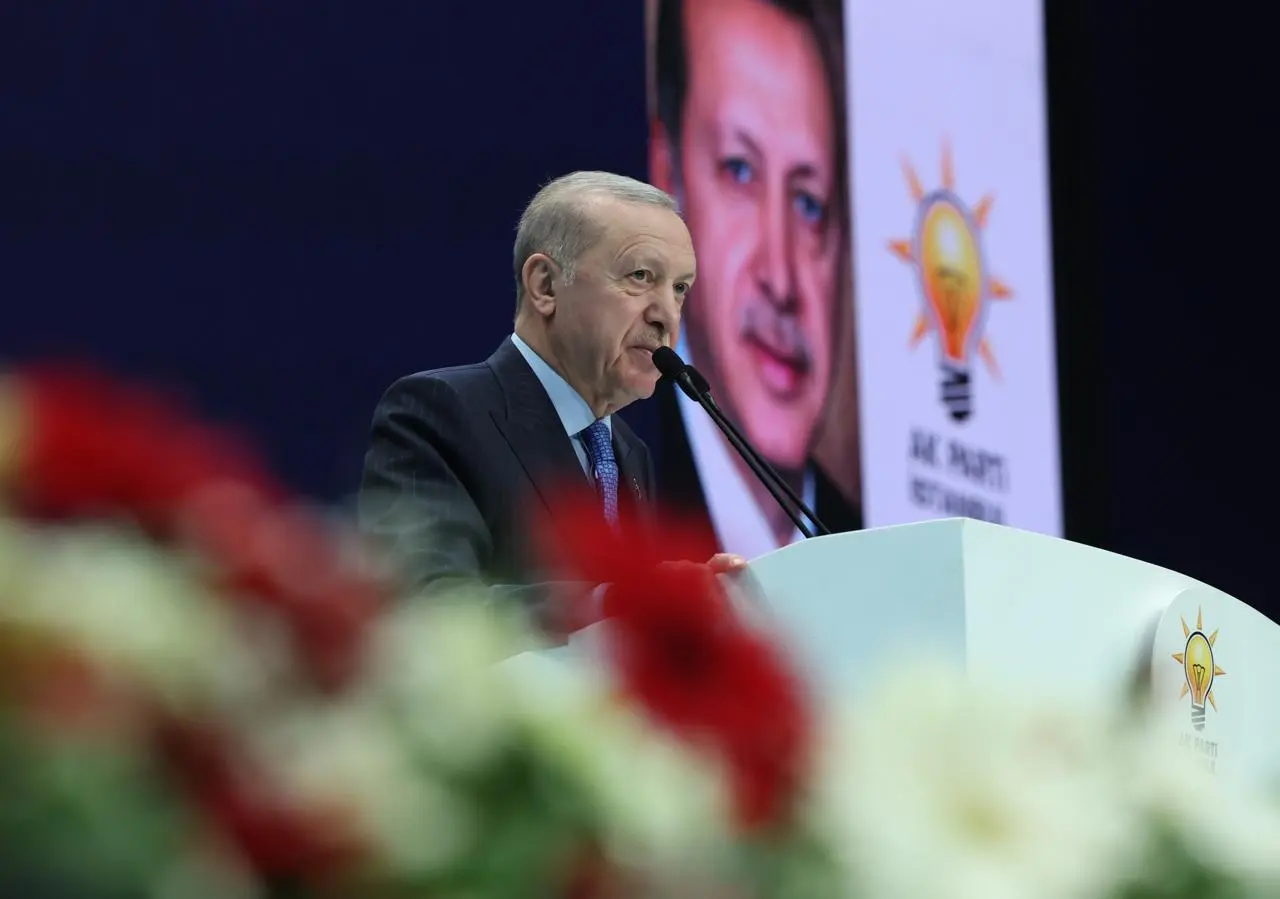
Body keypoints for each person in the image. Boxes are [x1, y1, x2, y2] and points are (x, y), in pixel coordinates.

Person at [358, 171, 744, 637]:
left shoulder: (629, 453)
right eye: (640, 277)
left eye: (680, 288)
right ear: (545, 286)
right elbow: (428, 609)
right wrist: (615, 601)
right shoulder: (438, 412)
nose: (667, 315)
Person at [648, 0, 862, 559]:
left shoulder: (872, 551)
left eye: (810, 203)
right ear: (668, 180)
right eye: (739, 171)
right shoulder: (603, 493)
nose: (781, 281)